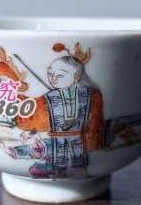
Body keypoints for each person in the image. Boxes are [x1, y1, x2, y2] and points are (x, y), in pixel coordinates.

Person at [16, 48, 104, 178]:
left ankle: (80, 170)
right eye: (50, 74)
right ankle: (58, 171)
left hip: (78, 132)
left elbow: (94, 118)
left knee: (78, 155)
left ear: (76, 77)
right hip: (58, 133)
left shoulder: (88, 94)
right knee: (59, 156)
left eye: (60, 76)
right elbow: (36, 110)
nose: (53, 79)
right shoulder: (50, 96)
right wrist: (20, 100)